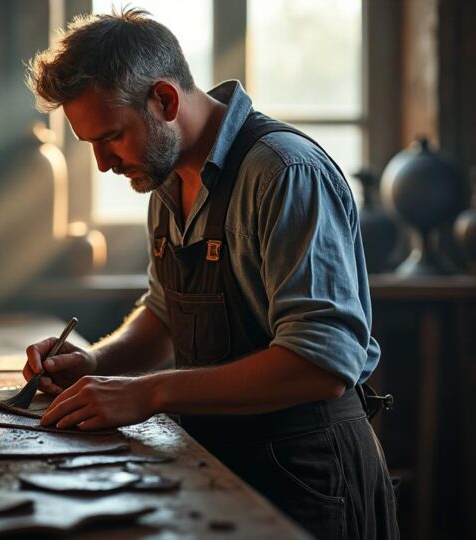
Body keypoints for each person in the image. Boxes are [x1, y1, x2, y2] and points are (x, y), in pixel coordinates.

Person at [22, 8, 398, 539]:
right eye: (91, 146)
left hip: (309, 478)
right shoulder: (166, 179)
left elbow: (322, 363)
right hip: (219, 463)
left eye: (111, 137)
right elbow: (165, 313)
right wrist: (95, 362)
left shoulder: (285, 173)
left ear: (165, 100)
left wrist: (148, 393)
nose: (104, 163)